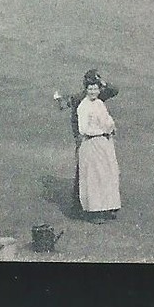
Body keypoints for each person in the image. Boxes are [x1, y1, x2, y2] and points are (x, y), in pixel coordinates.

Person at [61, 70, 119, 212]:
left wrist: (102, 82)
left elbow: (114, 90)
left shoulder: (98, 94)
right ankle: (81, 204)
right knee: (85, 171)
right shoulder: (82, 97)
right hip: (85, 136)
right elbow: (67, 107)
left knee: (100, 171)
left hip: (95, 137)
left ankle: (99, 204)